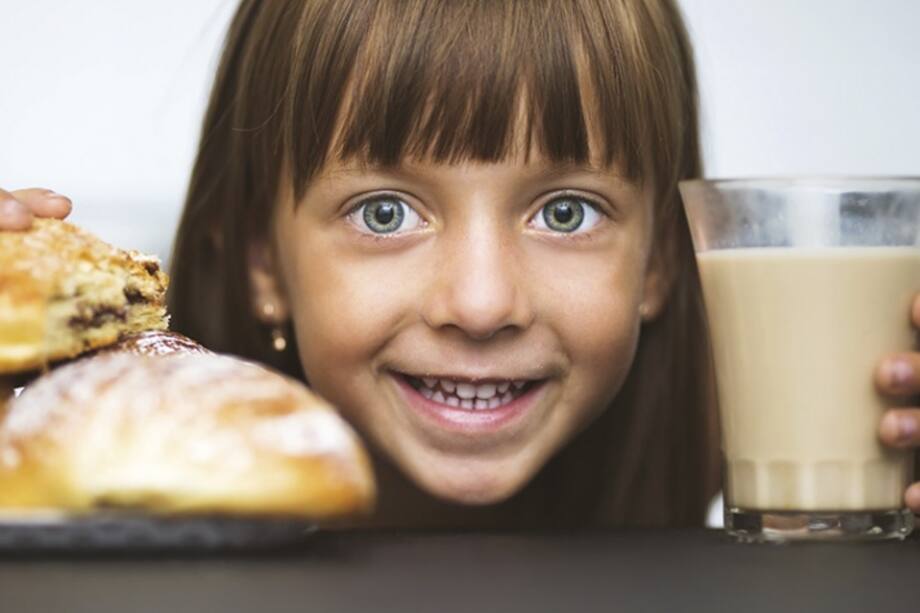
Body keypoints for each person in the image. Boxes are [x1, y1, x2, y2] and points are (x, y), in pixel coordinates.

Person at [1, 0, 918, 529]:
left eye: (566, 212)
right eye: (385, 211)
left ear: (661, 264)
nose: (481, 304)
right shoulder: (61, 464)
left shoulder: (799, 502)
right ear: (258, 263)